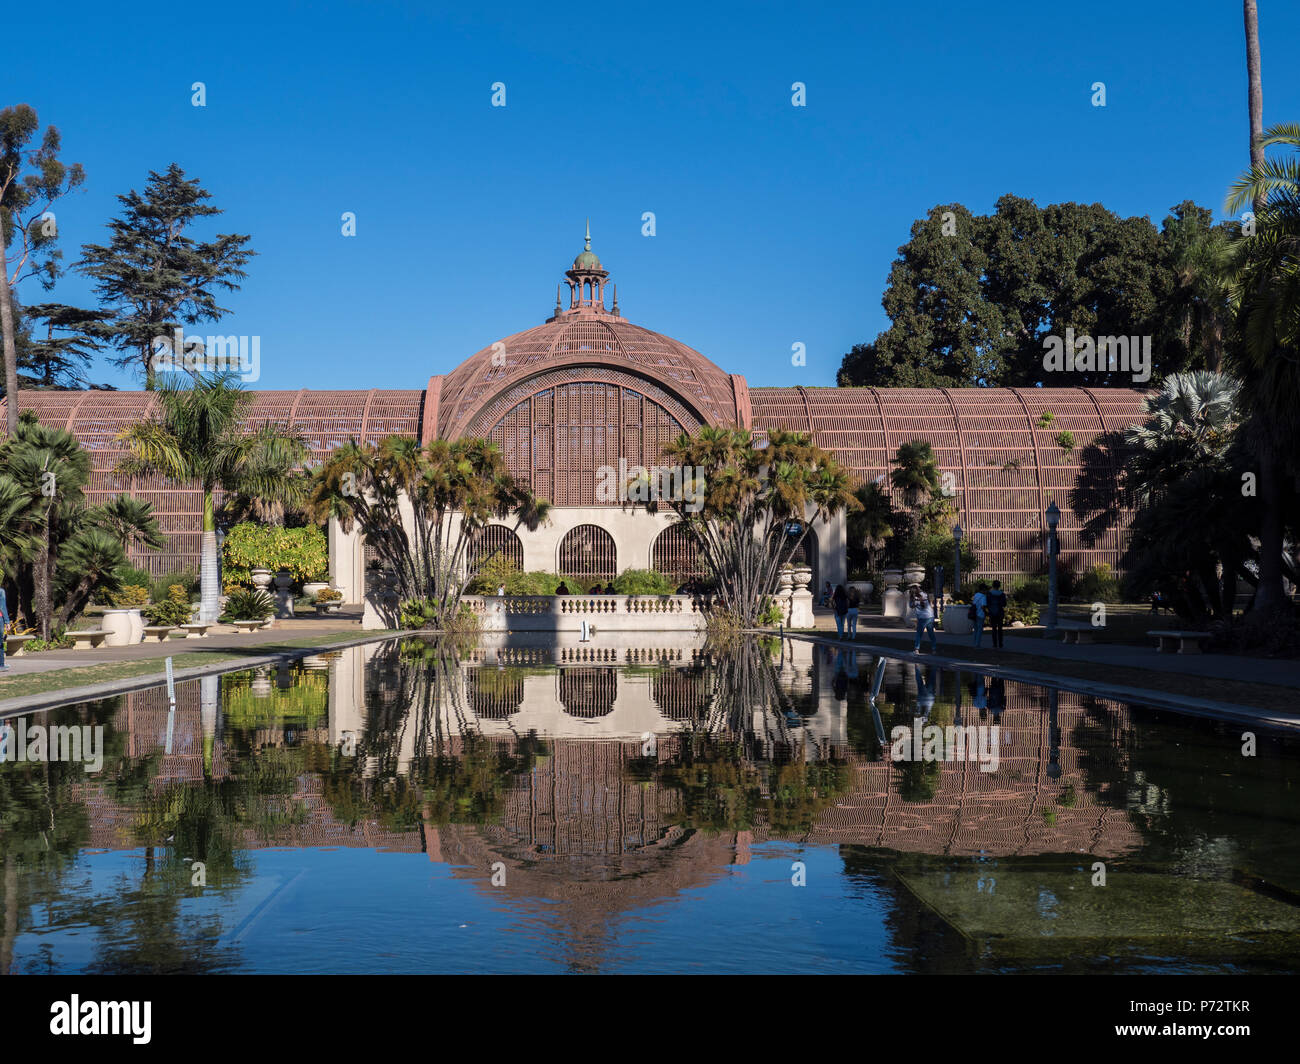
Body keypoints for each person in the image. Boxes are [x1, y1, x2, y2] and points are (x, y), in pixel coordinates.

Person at [908, 583, 937, 653]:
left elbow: (911, 606)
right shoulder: (925, 594)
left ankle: (916, 649)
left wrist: (911, 598)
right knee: (931, 634)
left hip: (922, 618)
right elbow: (929, 603)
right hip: (930, 616)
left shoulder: (914, 599)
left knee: (919, 634)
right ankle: (934, 649)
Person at [986, 579, 1007, 648]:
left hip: (992, 612)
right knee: (1000, 629)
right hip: (1000, 612)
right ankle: (1000, 643)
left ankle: (994, 644)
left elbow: (987, 603)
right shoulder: (1002, 594)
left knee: (994, 629)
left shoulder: (989, 594)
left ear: (992, 585)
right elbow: (1004, 604)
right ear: (999, 586)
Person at [971, 582, 989, 647]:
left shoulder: (976, 595)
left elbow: (973, 603)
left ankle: (974, 643)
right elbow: (983, 606)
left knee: (975, 630)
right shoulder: (983, 596)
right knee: (979, 630)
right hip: (980, 614)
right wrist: (986, 613)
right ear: (983, 589)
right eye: (986, 589)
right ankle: (977, 644)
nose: (986, 591)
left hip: (974, 614)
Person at [0, 577, 9, 672]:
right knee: (0, 643)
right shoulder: (1, 591)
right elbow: (2, 607)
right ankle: (1, 665)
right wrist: (7, 621)